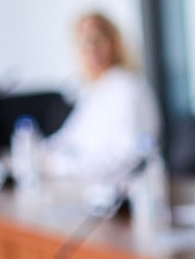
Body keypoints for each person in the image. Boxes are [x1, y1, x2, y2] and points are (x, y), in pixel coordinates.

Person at [43, 12, 160, 180]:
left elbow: (127, 161)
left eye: (95, 40)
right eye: (80, 43)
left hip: (121, 194)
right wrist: (39, 155)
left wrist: (58, 165)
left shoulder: (128, 89)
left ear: (113, 42)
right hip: (89, 186)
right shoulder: (94, 90)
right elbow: (68, 139)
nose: (89, 49)